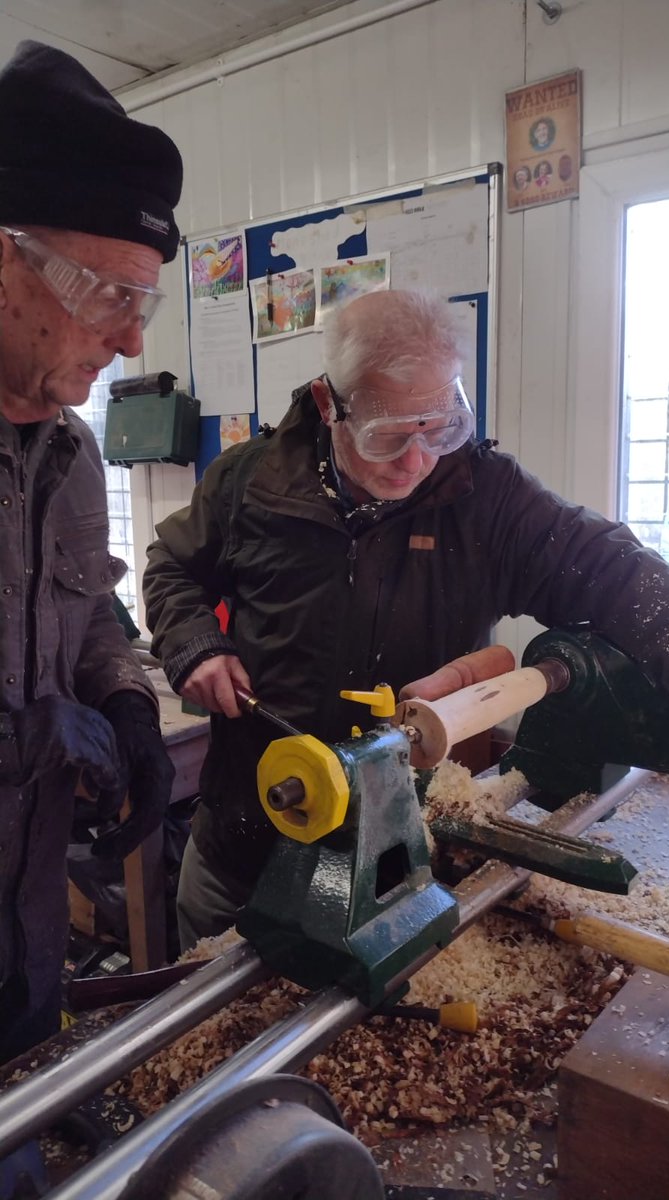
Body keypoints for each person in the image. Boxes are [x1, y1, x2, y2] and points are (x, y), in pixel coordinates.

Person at [143, 289, 669, 950]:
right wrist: (194, 642)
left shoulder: (488, 500)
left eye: (437, 428)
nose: (418, 461)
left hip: (402, 857)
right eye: (390, 436)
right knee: (206, 1022)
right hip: (245, 840)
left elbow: (615, 574)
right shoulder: (248, 482)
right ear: (326, 404)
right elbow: (171, 565)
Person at [0, 41, 183, 1063]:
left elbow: (91, 612)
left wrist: (126, 703)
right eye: (109, 293)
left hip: (26, 932)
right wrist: (20, 738)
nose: (131, 342)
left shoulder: (70, 455)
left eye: (141, 301)